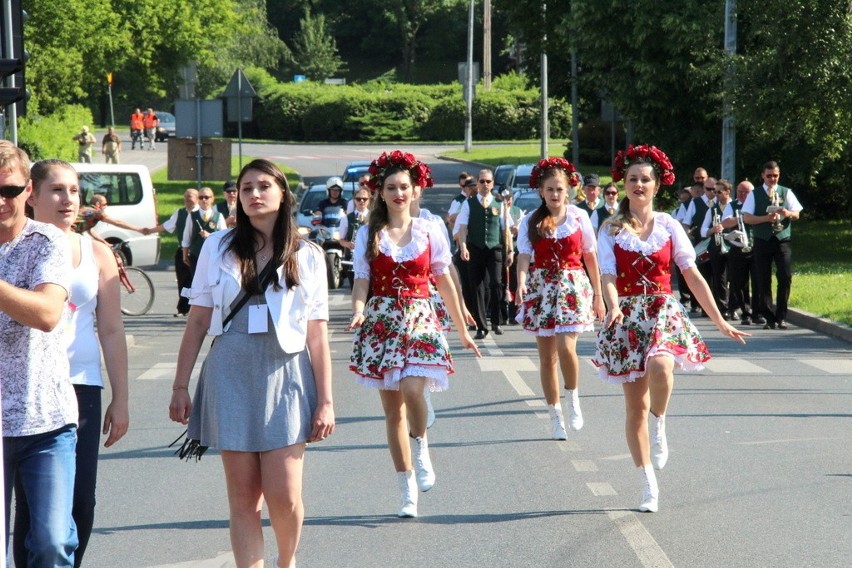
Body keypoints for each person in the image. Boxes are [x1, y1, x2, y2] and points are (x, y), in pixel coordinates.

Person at [169, 159, 334, 567]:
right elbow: (198, 321)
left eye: (263, 186)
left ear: (282, 193)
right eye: (246, 188)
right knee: (243, 497)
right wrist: (179, 385)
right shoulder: (217, 247)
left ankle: (286, 560)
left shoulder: (308, 254)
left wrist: (326, 400)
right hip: (231, 370)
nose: (254, 194)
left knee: (284, 494)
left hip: (286, 374)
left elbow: (317, 335)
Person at [592, 144, 749, 513]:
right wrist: (613, 306)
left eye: (645, 179)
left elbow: (691, 274)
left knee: (662, 366)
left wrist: (720, 320)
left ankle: (660, 423)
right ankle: (648, 484)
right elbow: (608, 274)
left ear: (656, 185)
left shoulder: (668, 225)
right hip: (628, 315)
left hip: (661, 309)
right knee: (634, 408)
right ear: (624, 184)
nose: (638, 185)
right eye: (632, 179)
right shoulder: (611, 228)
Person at [348, 150, 480, 518]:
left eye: (404, 186)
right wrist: (359, 309)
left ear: (415, 189)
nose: (398, 193)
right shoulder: (368, 233)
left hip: (420, 313)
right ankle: (406, 488)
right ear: (381, 192)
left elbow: (444, 280)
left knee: (412, 389)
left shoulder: (428, 229)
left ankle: (421, 446)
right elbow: (362, 280)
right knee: (392, 414)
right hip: (382, 319)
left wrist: (461, 329)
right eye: (390, 187)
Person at [16, 159, 129, 567]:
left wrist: (121, 398)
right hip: (25, 386)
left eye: (74, 190)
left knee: (80, 501)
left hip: (81, 384)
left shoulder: (96, 251)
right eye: (57, 190)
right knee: (33, 510)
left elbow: (111, 330)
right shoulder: (17, 246)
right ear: (33, 195)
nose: (68, 200)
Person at [0, 141, 78, 565]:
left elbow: (48, 313)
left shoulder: (46, 241)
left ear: (28, 190)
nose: (1, 201)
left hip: (43, 421)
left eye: (9, 190)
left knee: (50, 543)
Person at [514, 157, 605, 440]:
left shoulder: (579, 217)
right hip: (542, 288)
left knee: (567, 348)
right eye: (550, 189)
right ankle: (555, 416)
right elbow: (524, 256)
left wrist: (598, 294)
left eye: (560, 189)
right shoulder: (531, 220)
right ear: (541, 191)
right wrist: (520, 282)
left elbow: (590, 256)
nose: (555, 194)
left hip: (572, 286)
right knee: (546, 358)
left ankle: (573, 398)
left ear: (568, 191)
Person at [742, 161, 803, 330]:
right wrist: (765, 219)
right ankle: (769, 317)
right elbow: (747, 218)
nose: (772, 179)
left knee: (785, 276)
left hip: (782, 239)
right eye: (769, 176)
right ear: (763, 175)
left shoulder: (786, 192)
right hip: (762, 240)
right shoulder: (754, 194)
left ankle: (782, 316)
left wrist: (787, 213)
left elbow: (796, 214)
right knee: (763, 278)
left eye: (775, 175)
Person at [455, 168, 514, 338]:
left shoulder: (500, 203)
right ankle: (481, 325)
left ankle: (496, 320)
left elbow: (506, 229)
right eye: (482, 181)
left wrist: (509, 251)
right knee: (478, 287)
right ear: (478, 183)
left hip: (494, 247)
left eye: (488, 181)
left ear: (493, 183)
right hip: (475, 247)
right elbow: (463, 227)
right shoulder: (469, 203)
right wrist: (464, 247)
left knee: (496, 283)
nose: (485, 185)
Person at [141, 188, 199, 316]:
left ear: (196, 198)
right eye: (185, 197)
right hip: (182, 250)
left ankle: (196, 308)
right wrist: (149, 231)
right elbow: (167, 226)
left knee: (196, 280)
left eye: (190, 197)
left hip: (197, 252)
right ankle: (184, 308)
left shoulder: (201, 213)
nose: (187, 200)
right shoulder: (180, 212)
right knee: (183, 279)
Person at [721, 180, 757, 325]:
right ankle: (746, 312)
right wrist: (742, 218)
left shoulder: (756, 204)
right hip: (738, 247)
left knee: (758, 280)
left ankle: (758, 312)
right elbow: (725, 223)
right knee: (739, 282)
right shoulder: (732, 205)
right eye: (740, 191)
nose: (742, 194)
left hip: (756, 246)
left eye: (745, 192)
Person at [701, 178, 734, 319]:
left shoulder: (735, 206)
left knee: (735, 277)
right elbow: (703, 230)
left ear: (728, 192)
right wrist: (712, 230)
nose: (716, 195)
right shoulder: (712, 210)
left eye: (719, 192)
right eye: (715, 192)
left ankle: (735, 306)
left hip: (734, 246)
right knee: (719, 277)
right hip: (717, 246)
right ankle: (723, 307)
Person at [181, 186, 227, 272]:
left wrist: (210, 235)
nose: (204, 200)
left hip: (213, 255)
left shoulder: (218, 216)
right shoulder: (192, 215)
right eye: (201, 197)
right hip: (196, 255)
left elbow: (224, 237)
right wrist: (185, 255)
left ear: (212, 199)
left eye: (206, 197)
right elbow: (186, 236)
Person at [338, 185, 370, 252]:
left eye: (365, 199)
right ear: (354, 200)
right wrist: (347, 244)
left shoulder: (374, 216)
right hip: (352, 256)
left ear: (369, 200)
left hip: (370, 255)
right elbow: (341, 240)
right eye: (358, 199)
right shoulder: (346, 218)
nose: (361, 201)